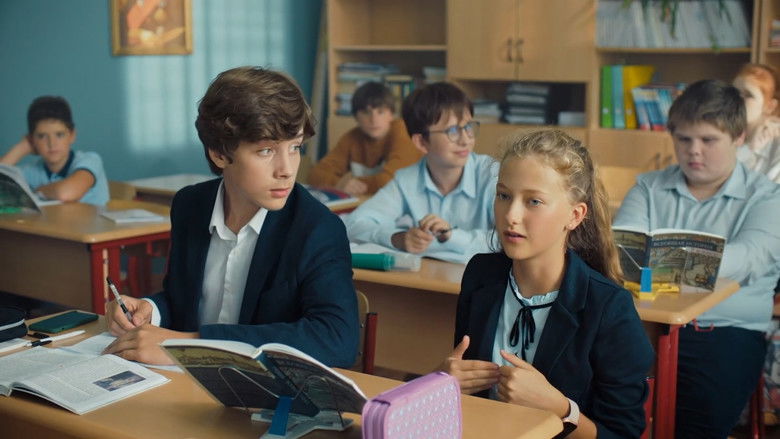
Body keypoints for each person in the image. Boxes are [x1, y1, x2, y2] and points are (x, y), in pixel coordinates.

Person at [103, 67, 359, 367]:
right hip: (183, 382)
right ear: (219, 154)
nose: (287, 169)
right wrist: (150, 309)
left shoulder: (318, 228)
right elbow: (183, 301)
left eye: (295, 147)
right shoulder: (190, 205)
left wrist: (190, 346)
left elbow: (337, 339)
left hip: (260, 390)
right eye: (266, 151)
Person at [439, 129, 654, 438]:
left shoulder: (609, 308)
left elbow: (622, 434)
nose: (511, 215)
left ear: (575, 215)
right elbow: (463, 387)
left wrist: (561, 410)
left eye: (534, 201)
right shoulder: (480, 274)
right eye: (504, 195)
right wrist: (442, 381)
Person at [614, 79, 780, 438]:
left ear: (738, 137)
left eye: (708, 140)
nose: (694, 151)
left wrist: (662, 259)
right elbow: (623, 250)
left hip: (723, 331)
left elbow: (749, 258)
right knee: (604, 412)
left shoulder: (768, 197)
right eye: (684, 139)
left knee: (693, 427)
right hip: (644, 324)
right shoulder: (648, 186)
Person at [344, 82, 497, 264]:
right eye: (452, 131)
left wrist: (451, 236)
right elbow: (354, 224)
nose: (466, 140)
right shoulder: (406, 179)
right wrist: (399, 238)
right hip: (428, 275)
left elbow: (512, 239)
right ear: (421, 142)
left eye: (468, 126)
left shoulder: (492, 174)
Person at [308, 81, 421, 196]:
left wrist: (351, 184)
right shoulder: (352, 138)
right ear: (356, 117)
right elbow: (316, 174)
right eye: (366, 112)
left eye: (380, 112)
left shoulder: (403, 132)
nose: (374, 119)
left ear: (391, 114)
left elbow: (390, 181)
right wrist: (339, 183)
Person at [0, 96, 109, 205]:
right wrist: (21, 148)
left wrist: (39, 190)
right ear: (32, 140)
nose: (52, 143)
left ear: (72, 135)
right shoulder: (33, 172)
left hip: (92, 217)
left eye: (59, 134)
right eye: (42, 136)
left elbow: (67, 193)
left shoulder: (90, 160)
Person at [733, 63, 780, 182]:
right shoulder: (724, 135)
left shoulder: (777, 143)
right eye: (734, 93)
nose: (737, 100)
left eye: (748, 95)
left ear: (769, 106)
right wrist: (749, 149)